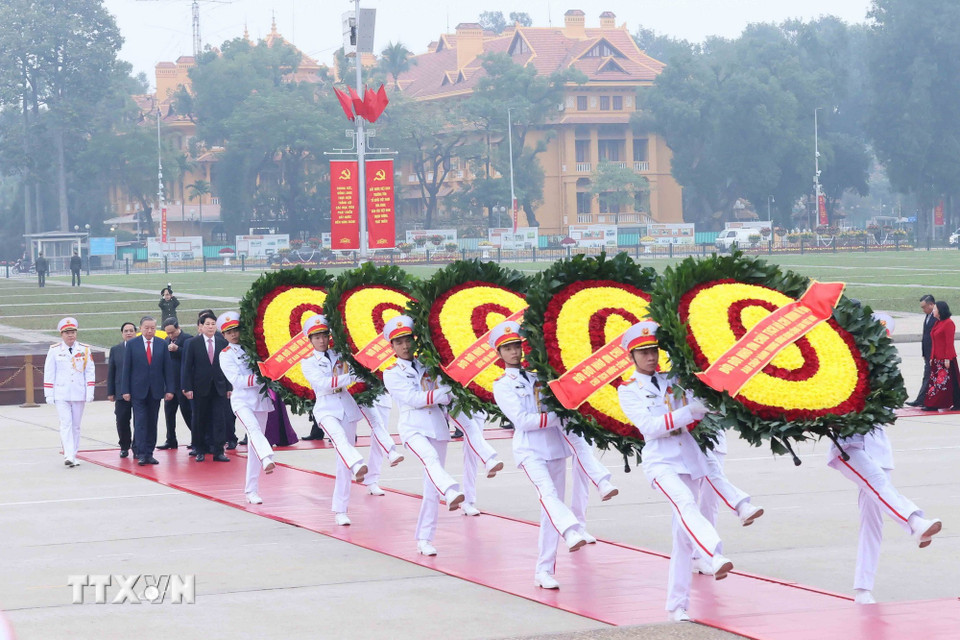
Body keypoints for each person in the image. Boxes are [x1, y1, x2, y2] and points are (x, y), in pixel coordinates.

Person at [617, 321, 736, 623]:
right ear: (631, 356)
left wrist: (710, 402)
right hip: (660, 462)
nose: (650, 357)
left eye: (653, 351)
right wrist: (689, 411)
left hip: (687, 459)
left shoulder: (674, 379)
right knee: (685, 504)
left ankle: (676, 606)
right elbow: (650, 427)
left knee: (682, 536)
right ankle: (713, 553)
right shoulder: (628, 390)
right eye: (643, 352)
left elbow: (705, 403)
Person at [829, 312, 943, 604]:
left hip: (878, 448)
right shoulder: (838, 363)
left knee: (873, 521)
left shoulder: (885, 368)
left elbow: (891, 410)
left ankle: (863, 588)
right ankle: (914, 522)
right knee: (878, 483)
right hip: (849, 446)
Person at [491, 321, 603, 590]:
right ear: (499, 353)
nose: (514, 352)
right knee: (549, 496)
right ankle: (571, 530)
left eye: (516, 346)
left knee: (550, 510)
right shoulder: (502, 385)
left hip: (554, 449)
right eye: (508, 348)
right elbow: (522, 420)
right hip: (530, 450)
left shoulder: (538, 377)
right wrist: (556, 417)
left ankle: (544, 570)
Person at [300, 315, 403, 525]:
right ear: (310, 340)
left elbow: (359, 364)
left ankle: (341, 509)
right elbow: (323, 383)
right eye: (317, 337)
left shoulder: (340, 354)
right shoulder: (308, 362)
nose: (322, 340)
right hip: (326, 407)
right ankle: (357, 463)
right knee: (339, 439)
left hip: (346, 406)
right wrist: (351, 377)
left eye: (324, 336)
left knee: (342, 463)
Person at [382, 315, 465, 555]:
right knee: (430, 459)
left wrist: (446, 393)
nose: (405, 346)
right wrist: (442, 394)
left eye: (408, 340)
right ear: (392, 346)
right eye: (399, 342)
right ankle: (450, 489)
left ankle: (424, 539)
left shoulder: (430, 364)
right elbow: (413, 399)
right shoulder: (391, 373)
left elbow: (450, 392)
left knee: (430, 487)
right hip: (412, 427)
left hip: (437, 427)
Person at [217, 311, 276, 505]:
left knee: (254, 444)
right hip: (242, 400)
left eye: (236, 330)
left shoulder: (253, 348)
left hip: (260, 399)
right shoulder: (226, 355)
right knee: (253, 429)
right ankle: (267, 457)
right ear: (224, 335)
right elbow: (237, 380)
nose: (234, 334)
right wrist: (262, 377)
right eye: (229, 332)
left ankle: (251, 490)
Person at [120, 316, 175, 466]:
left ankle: (149, 453)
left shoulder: (162, 344)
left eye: (152, 328)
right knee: (140, 422)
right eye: (147, 328)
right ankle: (141, 453)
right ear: (141, 328)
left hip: (155, 390)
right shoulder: (132, 344)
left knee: (152, 422)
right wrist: (125, 390)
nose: (150, 331)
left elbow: (167, 368)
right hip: (137, 390)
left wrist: (170, 389)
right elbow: (127, 369)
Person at [43, 318, 96, 467]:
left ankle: (73, 454)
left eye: (73, 332)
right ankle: (68, 454)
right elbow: (49, 372)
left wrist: (90, 392)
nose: (70, 335)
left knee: (76, 426)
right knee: (65, 423)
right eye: (67, 333)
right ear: (62, 334)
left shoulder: (84, 349)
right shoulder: (55, 350)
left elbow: (90, 371)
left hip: (79, 392)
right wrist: (49, 394)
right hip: (61, 393)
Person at [181, 311, 231, 462]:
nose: (210, 327)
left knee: (219, 420)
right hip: (199, 388)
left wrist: (229, 387)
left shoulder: (222, 343)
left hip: (219, 387)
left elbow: (227, 367)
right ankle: (200, 450)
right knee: (199, 419)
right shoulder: (193, 343)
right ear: (201, 327)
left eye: (213, 324)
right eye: (207, 324)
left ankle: (218, 451)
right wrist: (187, 387)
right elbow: (187, 367)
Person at [158, 317, 193, 450]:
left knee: (188, 413)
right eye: (168, 333)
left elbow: (191, 357)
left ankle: (197, 438)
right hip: (170, 385)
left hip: (183, 384)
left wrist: (178, 349)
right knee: (169, 414)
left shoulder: (188, 339)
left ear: (178, 328)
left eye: (172, 332)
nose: (170, 335)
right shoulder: (166, 341)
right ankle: (171, 439)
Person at [107, 322, 138, 458]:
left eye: (131, 330)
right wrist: (110, 392)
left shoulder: (141, 348)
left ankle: (137, 447)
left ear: (136, 332)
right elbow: (111, 371)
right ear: (122, 333)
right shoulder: (116, 350)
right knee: (122, 419)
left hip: (138, 390)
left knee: (139, 421)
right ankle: (124, 446)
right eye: (126, 331)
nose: (129, 333)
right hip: (120, 391)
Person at [923, 300, 960, 411]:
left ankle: (956, 403)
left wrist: (948, 358)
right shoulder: (937, 323)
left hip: (946, 358)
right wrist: (932, 357)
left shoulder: (949, 323)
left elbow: (949, 343)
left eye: (935, 309)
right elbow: (934, 342)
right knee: (936, 382)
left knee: (950, 382)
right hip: (937, 359)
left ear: (940, 311)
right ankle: (933, 403)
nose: (933, 311)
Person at [907, 295, 937, 406]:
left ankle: (922, 400)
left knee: (929, 376)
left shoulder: (937, 317)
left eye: (924, 307)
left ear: (931, 305)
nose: (923, 310)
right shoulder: (928, 316)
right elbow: (925, 336)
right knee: (928, 376)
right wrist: (924, 352)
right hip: (928, 352)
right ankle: (923, 400)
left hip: (934, 353)